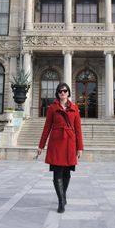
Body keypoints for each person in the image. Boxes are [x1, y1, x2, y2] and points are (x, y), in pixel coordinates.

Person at [37, 82, 83, 213]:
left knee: (67, 173)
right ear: (57, 94)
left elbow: (78, 130)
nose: (62, 93)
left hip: (69, 143)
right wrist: (41, 145)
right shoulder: (52, 108)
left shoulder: (74, 108)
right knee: (57, 172)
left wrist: (80, 147)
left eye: (65, 91)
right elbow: (47, 127)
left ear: (68, 93)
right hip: (56, 143)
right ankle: (61, 201)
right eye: (60, 91)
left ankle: (63, 196)